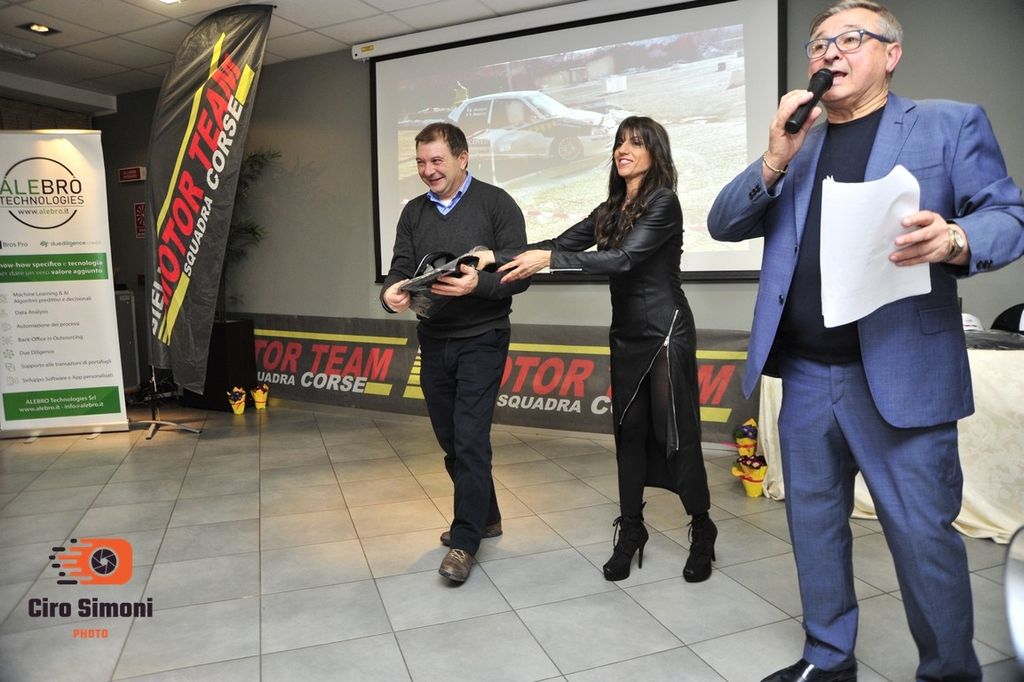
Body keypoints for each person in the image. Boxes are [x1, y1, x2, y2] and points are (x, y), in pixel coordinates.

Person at [707, 2, 1024, 680]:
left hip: (900, 374)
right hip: (804, 377)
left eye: (850, 38)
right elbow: (723, 223)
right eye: (819, 43)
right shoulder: (799, 142)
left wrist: (957, 238)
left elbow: (1008, 216)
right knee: (814, 527)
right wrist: (773, 157)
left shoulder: (947, 123)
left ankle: (948, 672)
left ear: (891, 54)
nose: (830, 52)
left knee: (921, 538)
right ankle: (828, 660)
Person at [477, 116, 717, 583]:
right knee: (628, 433)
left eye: (636, 143)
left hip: (665, 331)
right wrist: (496, 256)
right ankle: (631, 530)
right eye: (619, 142)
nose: (623, 149)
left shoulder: (664, 202)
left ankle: (702, 528)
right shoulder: (609, 208)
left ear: (655, 153)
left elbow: (623, 260)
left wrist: (551, 260)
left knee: (674, 433)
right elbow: (555, 244)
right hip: (626, 334)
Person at [381, 122, 530, 583]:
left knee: (469, 439)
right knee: (450, 439)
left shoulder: (497, 203)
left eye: (437, 161)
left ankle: (465, 540)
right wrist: (391, 293)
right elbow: (400, 268)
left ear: (463, 158)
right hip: (434, 338)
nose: (428, 170)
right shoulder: (413, 212)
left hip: (484, 337)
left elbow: (519, 274)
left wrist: (477, 284)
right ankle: (487, 516)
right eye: (421, 162)